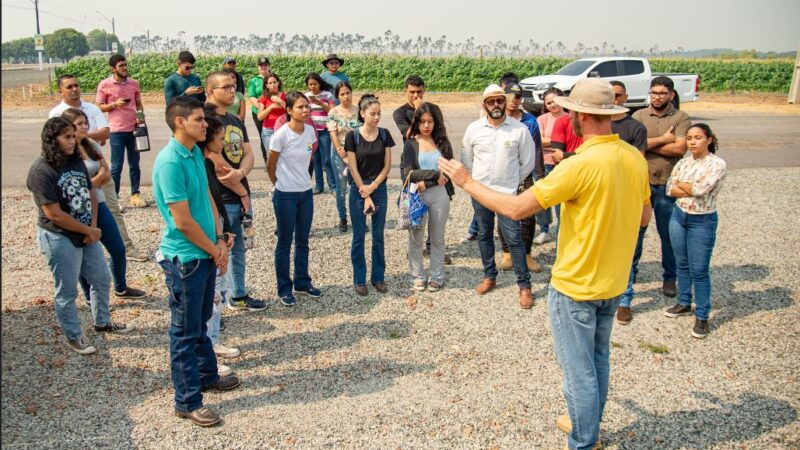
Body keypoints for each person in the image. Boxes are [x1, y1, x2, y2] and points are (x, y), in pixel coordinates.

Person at [440, 79, 651, 450]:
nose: (567, 118)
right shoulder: (633, 158)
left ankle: (584, 441)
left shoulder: (579, 165)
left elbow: (516, 208)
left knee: (579, 371)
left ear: (581, 116)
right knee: (598, 360)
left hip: (576, 287)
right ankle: (587, 421)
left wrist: (466, 181)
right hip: (614, 282)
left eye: (569, 112)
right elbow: (643, 217)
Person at [153, 96, 241, 428]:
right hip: (186, 260)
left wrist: (220, 238)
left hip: (205, 252)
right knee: (185, 332)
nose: (206, 125)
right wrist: (213, 249)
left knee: (201, 320)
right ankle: (187, 401)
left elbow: (206, 199)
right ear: (179, 122)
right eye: (199, 120)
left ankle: (206, 375)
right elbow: (182, 222)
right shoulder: (170, 162)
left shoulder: (194, 154)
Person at [28, 117, 135, 355]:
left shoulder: (75, 161)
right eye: (66, 137)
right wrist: (87, 230)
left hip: (87, 234)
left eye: (72, 135)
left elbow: (90, 193)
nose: (72, 140)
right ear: (52, 140)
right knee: (67, 291)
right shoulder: (41, 171)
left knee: (100, 278)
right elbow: (54, 214)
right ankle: (74, 336)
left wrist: (93, 228)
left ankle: (102, 322)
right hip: (59, 237)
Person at [48, 74, 148, 262]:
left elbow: (106, 132)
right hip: (76, 179)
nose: (75, 89)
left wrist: (83, 137)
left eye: (77, 85)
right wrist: (86, 137)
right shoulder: (56, 113)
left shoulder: (91, 109)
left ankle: (127, 248)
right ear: (61, 90)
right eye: (69, 86)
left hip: (99, 173)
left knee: (114, 212)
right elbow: (57, 145)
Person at [60, 108, 146, 301]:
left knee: (118, 248)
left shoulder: (91, 145)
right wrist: (92, 183)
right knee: (84, 255)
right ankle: (90, 297)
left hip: (99, 202)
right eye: (79, 124)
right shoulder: (67, 151)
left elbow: (106, 172)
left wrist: (89, 185)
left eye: (85, 123)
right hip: (80, 210)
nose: (84, 127)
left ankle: (121, 287)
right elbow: (73, 182)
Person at [461, 84, 534, 309]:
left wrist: (511, 183)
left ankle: (524, 286)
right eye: (491, 101)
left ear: (505, 102)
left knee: (513, 238)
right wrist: (476, 183)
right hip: (481, 193)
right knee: (484, 235)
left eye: (499, 101)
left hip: (507, 195)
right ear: (484, 104)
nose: (496, 105)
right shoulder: (474, 129)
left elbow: (527, 162)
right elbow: (467, 159)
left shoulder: (518, 129)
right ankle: (489, 276)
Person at [204, 71, 266, 312]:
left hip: (239, 191)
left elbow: (249, 152)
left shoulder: (235, 120)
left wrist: (241, 175)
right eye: (226, 87)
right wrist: (240, 189)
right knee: (219, 251)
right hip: (221, 196)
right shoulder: (205, 121)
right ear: (211, 91)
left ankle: (238, 294)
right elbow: (217, 164)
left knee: (238, 248)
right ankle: (215, 305)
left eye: (233, 86)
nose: (233, 91)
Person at [665, 124, 726, 339]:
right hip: (679, 216)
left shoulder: (717, 164)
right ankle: (683, 302)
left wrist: (684, 186)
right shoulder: (683, 162)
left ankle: (702, 315)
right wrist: (688, 186)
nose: (692, 142)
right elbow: (670, 189)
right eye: (689, 137)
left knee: (699, 269)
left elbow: (702, 190)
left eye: (698, 137)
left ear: (708, 139)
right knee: (681, 262)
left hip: (702, 220)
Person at [633, 76, 692, 298]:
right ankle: (631, 273)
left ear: (671, 95)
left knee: (668, 234)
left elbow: (679, 149)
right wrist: (664, 140)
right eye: (654, 93)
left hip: (667, 184)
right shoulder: (639, 115)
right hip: (642, 183)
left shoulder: (681, 117)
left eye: (662, 93)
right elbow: (633, 145)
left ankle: (669, 278)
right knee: (636, 232)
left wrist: (648, 144)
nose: (657, 97)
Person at [267, 92, 323, 306]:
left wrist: (303, 182)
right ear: (289, 110)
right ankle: (284, 288)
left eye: (307, 107)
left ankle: (302, 282)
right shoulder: (280, 135)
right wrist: (279, 183)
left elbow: (308, 160)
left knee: (303, 241)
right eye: (300, 107)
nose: (305, 110)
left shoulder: (310, 131)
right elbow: (270, 166)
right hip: (285, 195)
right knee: (284, 242)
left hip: (305, 193)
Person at [392, 75, 451, 265]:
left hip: (432, 162)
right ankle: (415, 250)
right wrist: (418, 111)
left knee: (437, 213)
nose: (415, 95)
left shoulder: (433, 110)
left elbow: (440, 134)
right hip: (412, 161)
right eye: (411, 92)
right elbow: (408, 134)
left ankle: (432, 247)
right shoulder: (399, 113)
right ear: (405, 91)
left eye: (419, 92)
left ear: (424, 90)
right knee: (414, 211)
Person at [198, 111, 241, 365]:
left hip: (218, 234)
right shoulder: (197, 164)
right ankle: (208, 346)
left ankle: (213, 340)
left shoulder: (207, 163)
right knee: (210, 295)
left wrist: (226, 232)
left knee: (218, 292)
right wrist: (217, 238)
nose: (224, 142)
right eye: (220, 137)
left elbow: (217, 198)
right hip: (207, 239)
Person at [401, 103, 454, 292]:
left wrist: (428, 181)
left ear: (436, 122)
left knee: (438, 239)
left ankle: (437, 276)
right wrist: (433, 175)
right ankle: (417, 276)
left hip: (439, 195)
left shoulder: (443, 143)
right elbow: (408, 173)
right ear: (417, 122)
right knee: (416, 239)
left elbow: (447, 173)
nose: (426, 125)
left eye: (430, 121)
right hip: (416, 195)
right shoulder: (411, 144)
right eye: (422, 121)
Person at [608, 81, 650, 325]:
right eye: (609, 95)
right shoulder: (600, 126)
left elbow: (637, 162)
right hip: (605, 194)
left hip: (629, 195)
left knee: (630, 252)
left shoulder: (636, 128)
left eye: (617, 95)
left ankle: (625, 300)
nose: (613, 99)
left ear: (625, 97)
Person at [345, 94, 394, 296]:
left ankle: (378, 277)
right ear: (362, 113)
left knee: (378, 236)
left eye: (379, 114)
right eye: (372, 113)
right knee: (358, 236)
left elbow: (388, 165)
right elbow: (352, 167)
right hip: (358, 189)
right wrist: (364, 191)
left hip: (379, 188)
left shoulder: (384, 134)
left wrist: (373, 187)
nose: (376, 117)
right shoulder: (352, 136)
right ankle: (359, 279)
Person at [495, 82, 544, 276]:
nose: (514, 100)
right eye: (510, 96)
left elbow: (537, 149)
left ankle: (527, 253)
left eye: (517, 97)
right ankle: (507, 253)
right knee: (504, 213)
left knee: (528, 215)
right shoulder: (498, 120)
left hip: (526, 175)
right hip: (504, 175)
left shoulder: (530, 121)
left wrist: (539, 175)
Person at [96, 54, 148, 208]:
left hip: (134, 129)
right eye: (121, 66)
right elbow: (98, 106)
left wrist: (140, 118)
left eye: (125, 65)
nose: (125, 68)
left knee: (134, 164)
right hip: (117, 130)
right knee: (116, 165)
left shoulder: (134, 84)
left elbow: (139, 104)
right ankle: (114, 198)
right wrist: (114, 105)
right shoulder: (104, 85)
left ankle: (135, 195)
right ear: (113, 69)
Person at [327, 81, 361, 232]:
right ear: (337, 96)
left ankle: (358, 218)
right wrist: (340, 150)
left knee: (357, 186)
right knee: (341, 188)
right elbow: (333, 134)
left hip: (357, 153)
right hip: (339, 152)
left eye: (348, 93)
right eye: (342, 94)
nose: (346, 96)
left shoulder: (359, 110)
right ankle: (343, 217)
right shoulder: (333, 112)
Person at [533, 87, 566, 245]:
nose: (553, 105)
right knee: (543, 197)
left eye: (555, 101)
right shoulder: (542, 119)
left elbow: (570, 142)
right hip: (544, 162)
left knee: (562, 200)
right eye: (549, 103)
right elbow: (539, 139)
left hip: (563, 164)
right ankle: (544, 230)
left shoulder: (569, 118)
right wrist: (560, 141)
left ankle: (562, 231)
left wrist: (549, 139)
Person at [305, 72, 336, 195]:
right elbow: (304, 111)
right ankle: (319, 186)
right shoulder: (306, 96)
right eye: (310, 84)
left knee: (327, 160)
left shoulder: (327, 95)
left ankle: (333, 186)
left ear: (319, 83)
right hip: (311, 133)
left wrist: (321, 104)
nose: (313, 86)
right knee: (315, 159)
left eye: (315, 84)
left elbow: (333, 111)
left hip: (324, 131)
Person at [256, 72, 287, 166]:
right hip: (268, 131)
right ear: (266, 85)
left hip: (283, 130)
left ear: (278, 83)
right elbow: (260, 117)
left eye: (274, 82)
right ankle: (275, 179)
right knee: (272, 158)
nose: (273, 85)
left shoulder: (285, 96)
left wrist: (280, 101)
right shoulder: (263, 98)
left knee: (284, 156)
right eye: (270, 83)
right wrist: (271, 107)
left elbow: (292, 111)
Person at [246, 57, 271, 167]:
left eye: (265, 65)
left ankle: (276, 160)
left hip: (273, 112)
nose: (263, 67)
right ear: (258, 67)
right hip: (258, 112)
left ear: (269, 66)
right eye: (261, 65)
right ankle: (267, 161)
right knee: (263, 136)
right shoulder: (253, 81)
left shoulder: (273, 78)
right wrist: (263, 109)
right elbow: (252, 97)